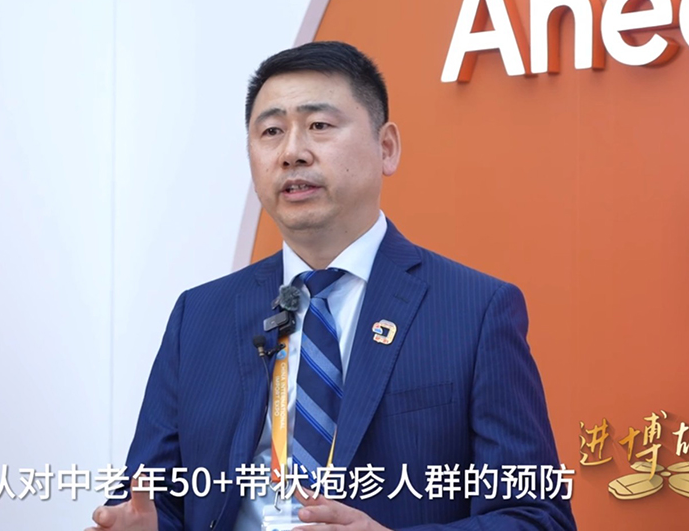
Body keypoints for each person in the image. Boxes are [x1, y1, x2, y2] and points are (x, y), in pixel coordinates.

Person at [87, 41, 575, 531]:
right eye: (271, 132)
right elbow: (154, 501)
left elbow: (538, 518)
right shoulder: (200, 316)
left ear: (386, 148)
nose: (292, 153)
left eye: (319, 125)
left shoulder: (474, 311)